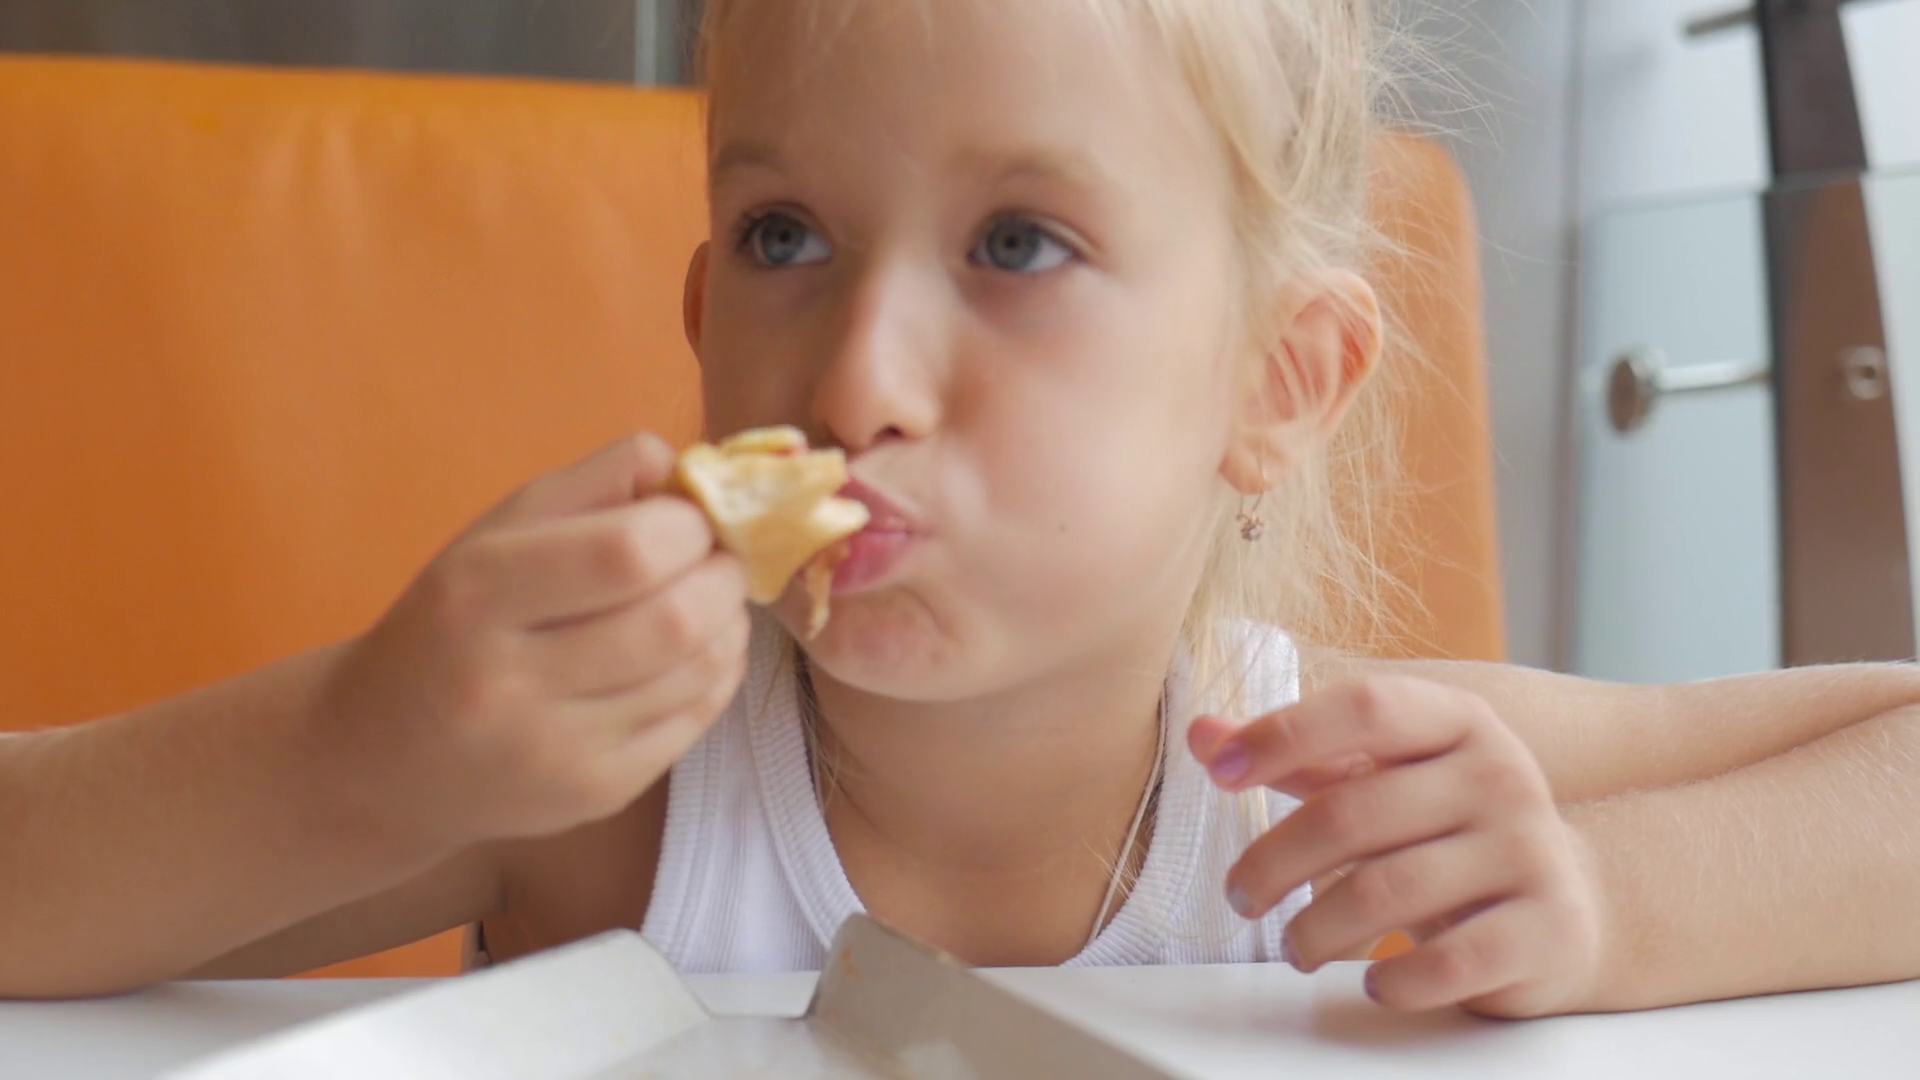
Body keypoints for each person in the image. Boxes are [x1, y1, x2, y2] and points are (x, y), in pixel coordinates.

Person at [4, 0, 1918, 1018]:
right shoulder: (607, 808)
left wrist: (1610, 904)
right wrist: (364, 747)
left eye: (1018, 243)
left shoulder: (1330, 807)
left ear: (1276, 385)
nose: (855, 381)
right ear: (702, 319)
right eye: (786, 236)